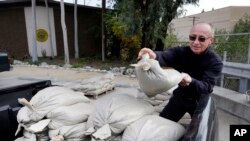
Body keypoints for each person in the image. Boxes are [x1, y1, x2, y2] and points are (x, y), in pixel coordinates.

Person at [137, 22, 223, 122]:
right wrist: (153, 55)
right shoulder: (180, 52)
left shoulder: (215, 61)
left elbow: (206, 87)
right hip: (180, 97)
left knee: (201, 134)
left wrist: (191, 81)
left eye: (202, 38)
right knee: (161, 124)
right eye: (192, 37)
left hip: (200, 101)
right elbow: (165, 56)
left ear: (211, 41)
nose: (195, 42)